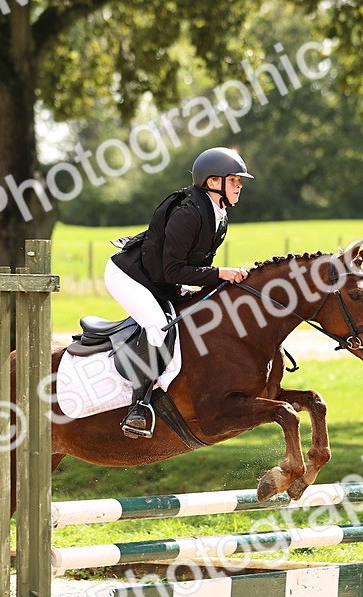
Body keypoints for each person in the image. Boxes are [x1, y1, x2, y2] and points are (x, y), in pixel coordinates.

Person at [105, 146, 253, 438]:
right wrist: (220, 273)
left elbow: (190, 267)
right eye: (235, 180)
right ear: (213, 182)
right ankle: (139, 406)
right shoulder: (189, 213)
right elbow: (174, 270)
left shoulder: (219, 215)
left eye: (240, 181)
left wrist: (217, 279)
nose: (240, 186)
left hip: (160, 279)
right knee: (158, 327)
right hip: (129, 276)